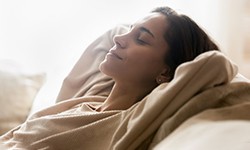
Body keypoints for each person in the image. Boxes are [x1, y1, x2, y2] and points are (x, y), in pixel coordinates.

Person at [0, 6, 220, 149]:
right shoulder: (88, 101)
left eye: (141, 39)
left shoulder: (132, 122)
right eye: (130, 30)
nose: (119, 38)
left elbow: (215, 65)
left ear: (166, 72)